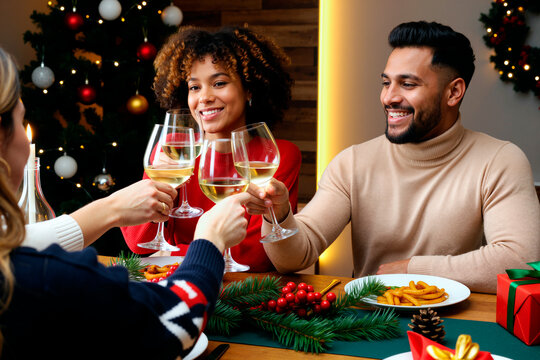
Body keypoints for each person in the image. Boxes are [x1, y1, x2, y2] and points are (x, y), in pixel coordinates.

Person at [244, 21, 540, 294]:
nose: (389, 97)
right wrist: (279, 215)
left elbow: (521, 262)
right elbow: (294, 257)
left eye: (408, 84)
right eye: (386, 83)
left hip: (458, 324)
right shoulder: (353, 163)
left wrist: (412, 270)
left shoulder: (500, 160)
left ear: (454, 92)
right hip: (365, 324)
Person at [0, 46, 251, 358]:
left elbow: (18, 243)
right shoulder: (38, 278)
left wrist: (111, 207)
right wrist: (210, 238)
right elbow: (175, 318)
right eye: (22, 121)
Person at [121, 26, 302, 272]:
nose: (204, 97)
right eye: (194, 87)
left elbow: (251, 257)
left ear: (249, 88)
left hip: (243, 298)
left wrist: (170, 253)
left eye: (218, 83)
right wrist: (159, 189)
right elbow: (140, 244)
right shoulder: (174, 148)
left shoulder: (277, 155)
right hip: (179, 288)